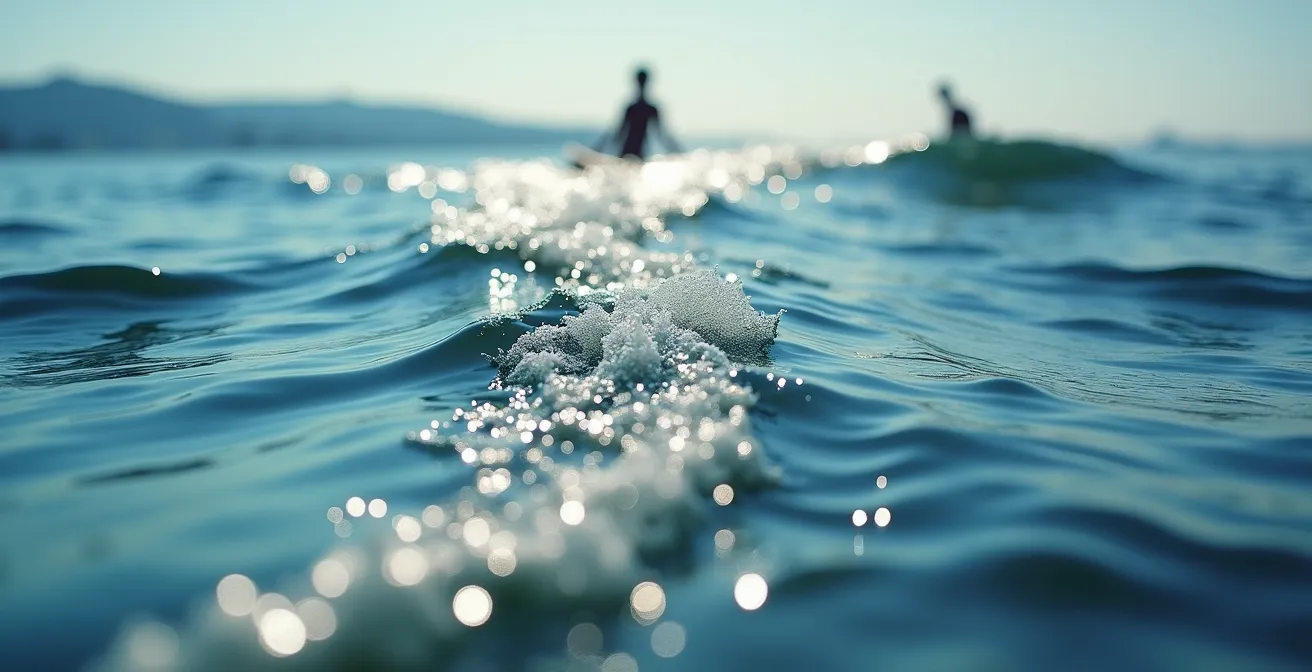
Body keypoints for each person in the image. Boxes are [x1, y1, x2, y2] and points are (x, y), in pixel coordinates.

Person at [593, 67, 681, 160]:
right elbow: (617, 135)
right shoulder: (634, 109)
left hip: (635, 155)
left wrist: (678, 152)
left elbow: (663, 136)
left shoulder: (645, 109)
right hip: (630, 155)